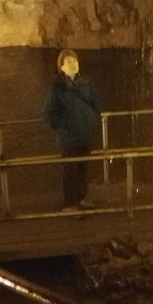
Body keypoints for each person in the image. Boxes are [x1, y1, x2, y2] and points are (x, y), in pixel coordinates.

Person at [42, 49, 100, 211]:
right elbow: (48, 114)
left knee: (82, 168)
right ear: (61, 67)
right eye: (68, 62)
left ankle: (81, 198)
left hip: (85, 135)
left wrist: (93, 118)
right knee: (70, 171)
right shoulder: (57, 89)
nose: (73, 64)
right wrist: (66, 125)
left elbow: (94, 102)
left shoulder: (85, 83)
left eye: (75, 61)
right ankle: (69, 204)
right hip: (69, 138)